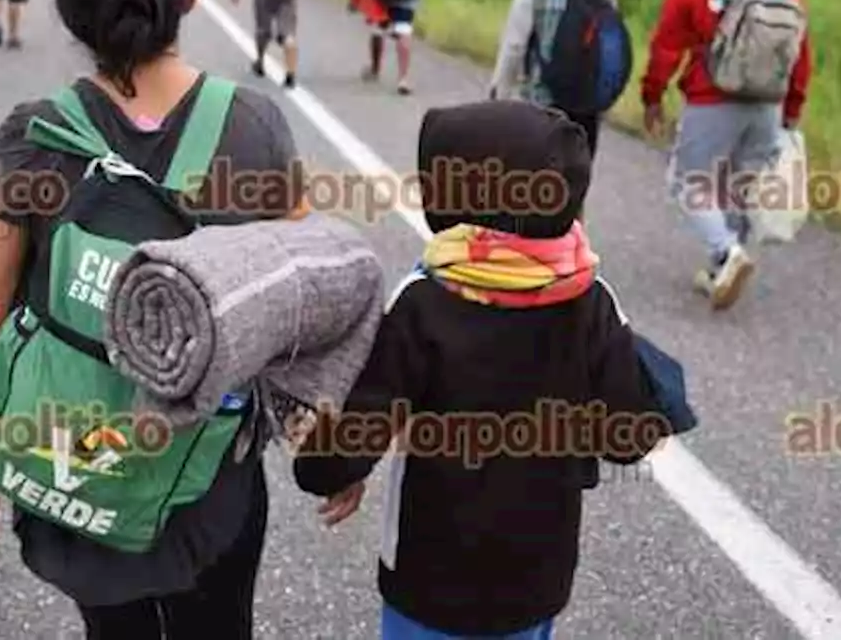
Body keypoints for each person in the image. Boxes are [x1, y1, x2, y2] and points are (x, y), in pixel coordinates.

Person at [0, 0, 310, 639]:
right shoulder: (254, 124)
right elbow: (305, 298)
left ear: (72, 16)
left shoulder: (33, 134)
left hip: (75, 456)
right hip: (211, 468)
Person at [291, 100, 687, 640]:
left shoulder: (427, 299)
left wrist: (326, 470)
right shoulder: (588, 296)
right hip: (535, 577)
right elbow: (629, 436)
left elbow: (364, 421)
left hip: (429, 578)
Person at [640, 0, 812, 310]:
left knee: (688, 181)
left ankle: (726, 253)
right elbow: (800, 49)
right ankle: (723, 270)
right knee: (739, 185)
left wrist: (652, 95)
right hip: (768, 101)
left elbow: (667, 46)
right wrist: (792, 108)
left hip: (712, 97)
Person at [488, 0, 625, 162]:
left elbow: (514, 45)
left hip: (538, 105)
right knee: (574, 188)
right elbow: (609, 50)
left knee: (535, 188)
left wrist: (500, 97)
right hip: (585, 108)